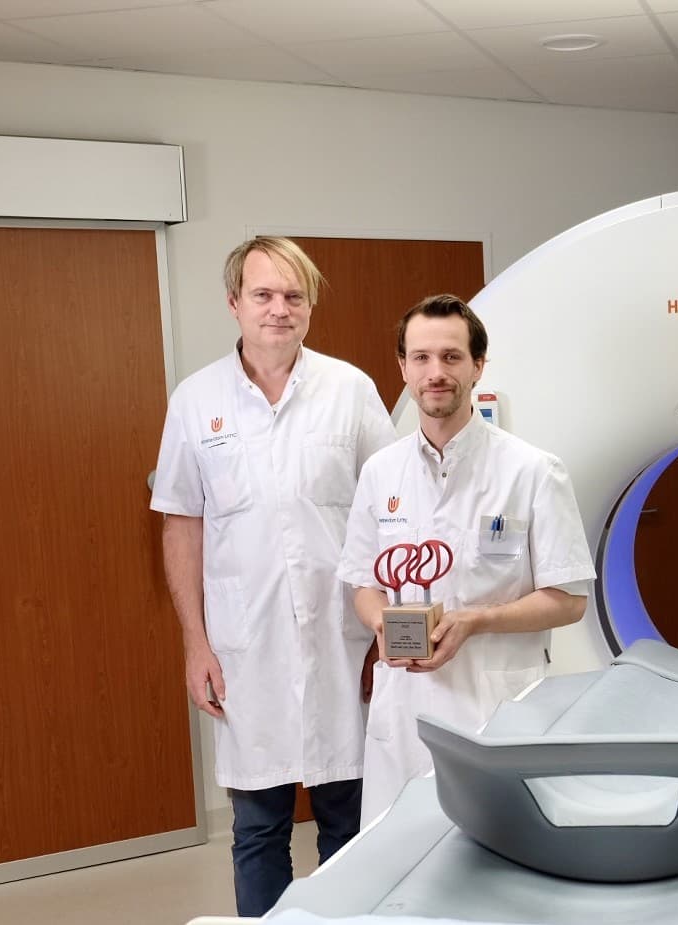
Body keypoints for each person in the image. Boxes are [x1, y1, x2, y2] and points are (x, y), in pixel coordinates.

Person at [150, 236, 397, 916]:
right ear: (234, 303)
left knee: (352, 821)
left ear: (310, 306)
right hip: (245, 649)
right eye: (263, 294)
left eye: (294, 296)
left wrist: (389, 635)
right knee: (258, 829)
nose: (279, 309)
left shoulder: (349, 390)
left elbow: (394, 512)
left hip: (346, 639)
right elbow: (181, 524)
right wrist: (195, 643)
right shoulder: (196, 400)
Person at [338, 293, 596, 826]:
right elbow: (363, 584)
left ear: (478, 365)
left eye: (452, 357)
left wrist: (475, 621)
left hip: (495, 704)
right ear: (403, 367)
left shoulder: (532, 471)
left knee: (496, 849)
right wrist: (383, 625)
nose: (436, 372)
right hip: (404, 709)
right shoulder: (380, 473)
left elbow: (569, 601)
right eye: (422, 357)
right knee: (400, 849)